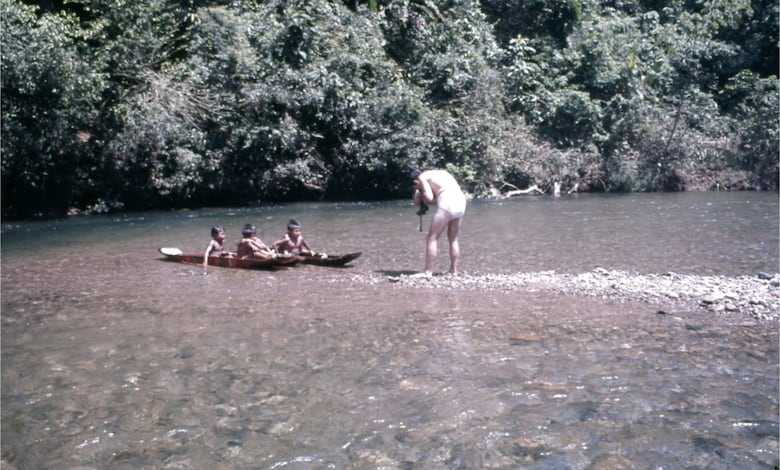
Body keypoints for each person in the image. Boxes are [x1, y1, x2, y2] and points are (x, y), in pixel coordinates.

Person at [411, 169, 466, 275]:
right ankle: (453, 270)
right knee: (453, 239)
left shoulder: (422, 177)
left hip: (448, 200)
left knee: (432, 238)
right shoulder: (440, 173)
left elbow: (429, 197)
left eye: (417, 187)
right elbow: (438, 198)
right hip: (461, 201)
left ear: (415, 182)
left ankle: (428, 271)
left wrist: (420, 196)